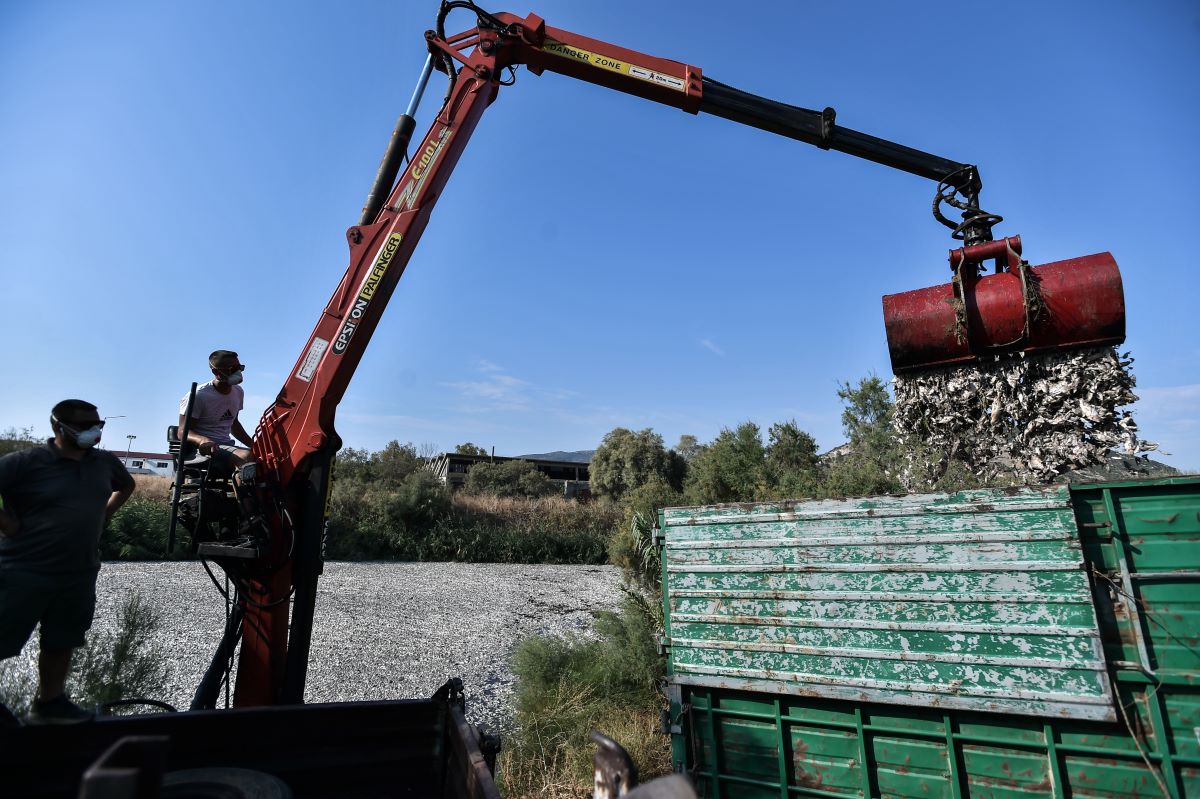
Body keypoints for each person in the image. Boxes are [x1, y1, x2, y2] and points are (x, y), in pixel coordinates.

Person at [0, 399, 135, 724]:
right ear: (58, 427)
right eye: (86, 425)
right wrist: (8, 524)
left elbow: (127, 485)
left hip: (79, 571)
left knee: (61, 640)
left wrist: (106, 513)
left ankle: (49, 703)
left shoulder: (104, 463)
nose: (94, 431)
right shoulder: (27, 461)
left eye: (98, 425)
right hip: (24, 569)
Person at [179, 350, 253, 467]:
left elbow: (234, 424)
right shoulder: (199, 395)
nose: (238, 372)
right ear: (215, 371)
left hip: (227, 446)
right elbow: (182, 432)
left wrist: (255, 445)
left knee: (263, 457)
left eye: (240, 368)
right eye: (232, 369)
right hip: (201, 450)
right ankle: (244, 485)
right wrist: (203, 440)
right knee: (246, 457)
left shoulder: (238, 392)